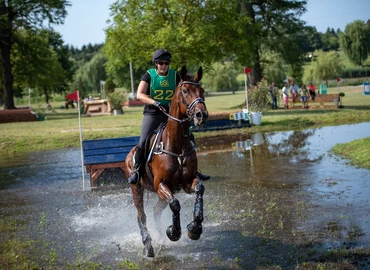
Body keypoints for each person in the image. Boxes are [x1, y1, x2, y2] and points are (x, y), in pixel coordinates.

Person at [127, 49, 210, 184]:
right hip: (153, 113)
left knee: (189, 137)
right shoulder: (148, 75)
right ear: (156, 64)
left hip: (171, 114)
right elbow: (140, 94)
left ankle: (195, 170)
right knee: (143, 142)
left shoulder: (175, 76)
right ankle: (137, 170)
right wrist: (154, 102)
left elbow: (184, 90)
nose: (164, 65)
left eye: (166, 63)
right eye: (160, 63)